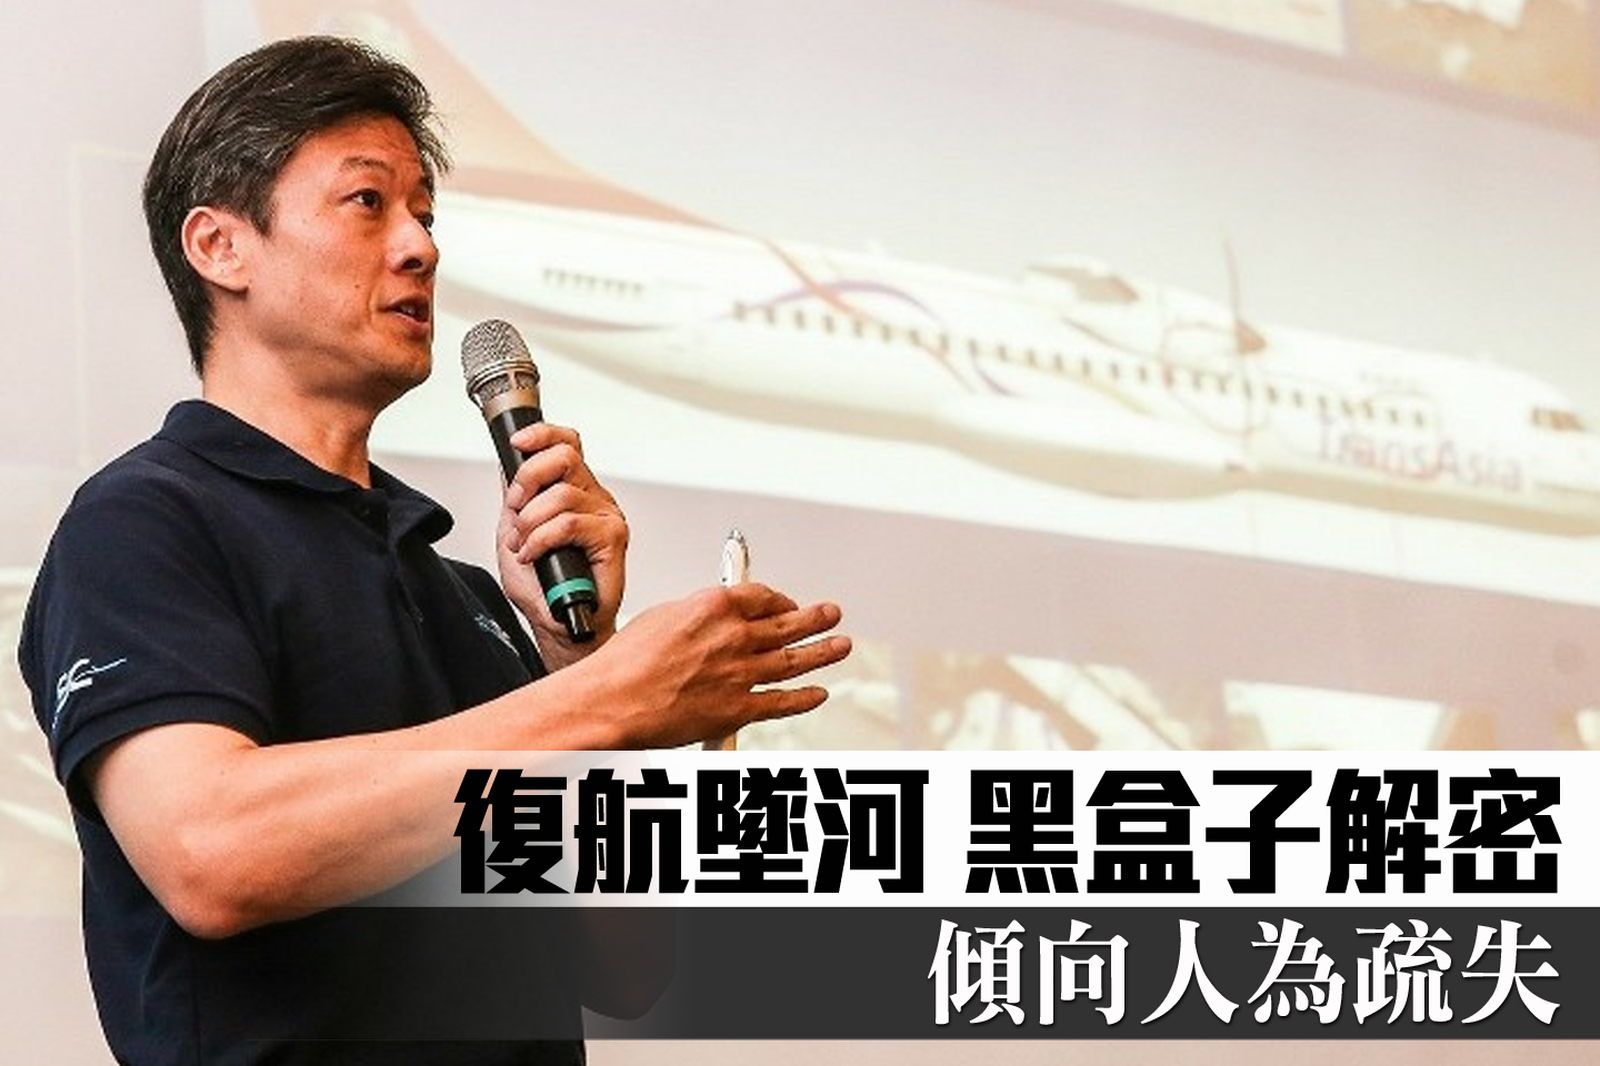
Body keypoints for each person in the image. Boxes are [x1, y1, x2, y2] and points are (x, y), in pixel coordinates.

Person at [17, 34, 851, 1066]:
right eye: (368, 203)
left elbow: (626, 962)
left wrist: (577, 657)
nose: (419, 247)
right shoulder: (143, 523)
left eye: (426, 214)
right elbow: (211, 851)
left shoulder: (469, 595)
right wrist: (609, 697)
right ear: (220, 247)